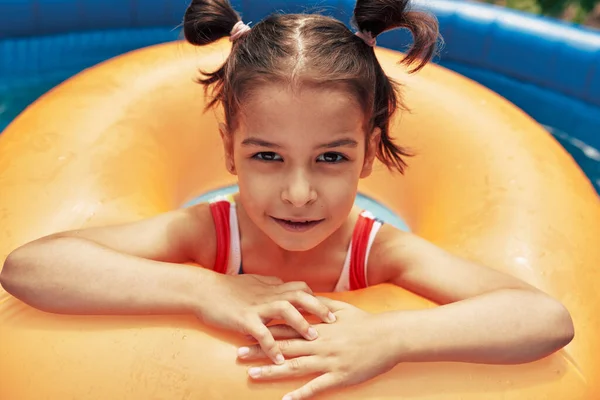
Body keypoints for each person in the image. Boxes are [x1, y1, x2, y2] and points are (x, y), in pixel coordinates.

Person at [0, 0, 574, 399]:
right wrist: (204, 287)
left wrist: (393, 336)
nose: (298, 194)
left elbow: (543, 318)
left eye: (330, 158)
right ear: (229, 152)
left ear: (369, 154)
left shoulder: (378, 251)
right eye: (267, 156)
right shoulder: (208, 235)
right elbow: (31, 266)